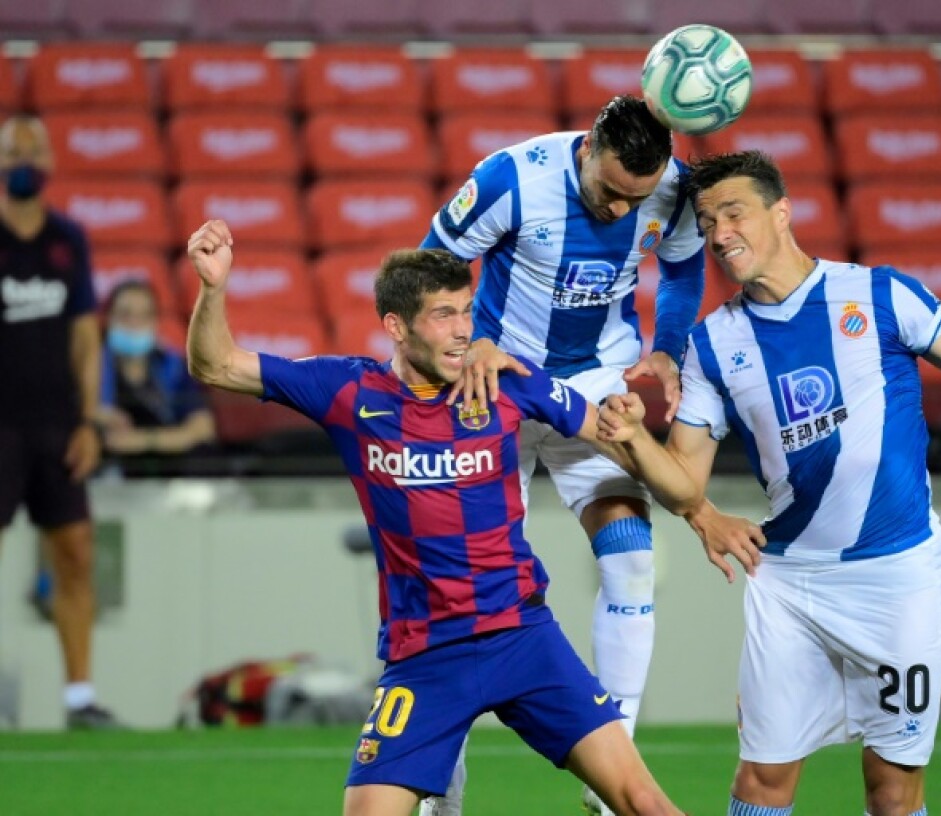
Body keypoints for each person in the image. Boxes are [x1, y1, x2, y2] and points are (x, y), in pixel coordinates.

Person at [594, 150, 941, 816]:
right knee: (762, 781)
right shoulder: (713, 346)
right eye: (706, 220)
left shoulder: (879, 295)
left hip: (898, 583)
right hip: (790, 587)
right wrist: (637, 438)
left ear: (782, 213)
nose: (720, 233)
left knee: (893, 793)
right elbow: (684, 484)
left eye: (734, 213)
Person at [184, 219, 687, 816]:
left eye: (467, 312)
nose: (462, 332)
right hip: (426, 655)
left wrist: (695, 504)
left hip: (522, 637)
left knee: (642, 802)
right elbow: (216, 366)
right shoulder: (347, 391)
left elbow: (622, 445)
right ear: (395, 327)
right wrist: (213, 289)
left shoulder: (509, 383)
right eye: (443, 315)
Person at [421, 95, 706, 814]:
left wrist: (668, 347)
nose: (620, 210)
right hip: (500, 385)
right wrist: (464, 344)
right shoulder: (510, 179)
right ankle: (439, 793)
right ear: (586, 151)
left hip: (596, 389)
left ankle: (612, 774)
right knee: (463, 590)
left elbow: (681, 269)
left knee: (633, 555)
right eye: (609, 191)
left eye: (634, 199)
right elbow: (433, 268)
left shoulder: (669, 191)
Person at [0, 114, 120, 729]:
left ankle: (80, 699)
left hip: (55, 425)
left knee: (73, 554)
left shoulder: (68, 239)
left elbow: (83, 337)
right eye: (14, 149)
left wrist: (89, 421)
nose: (25, 159)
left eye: (34, 149)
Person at [98, 279, 215, 460]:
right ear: (108, 318)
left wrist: (141, 441)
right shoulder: (90, 366)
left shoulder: (174, 366)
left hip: (166, 467)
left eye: (144, 315)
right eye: (124, 314)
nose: (134, 323)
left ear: (156, 321)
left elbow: (203, 428)